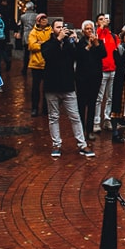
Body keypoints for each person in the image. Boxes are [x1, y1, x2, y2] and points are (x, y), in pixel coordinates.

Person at [41, 20, 95, 158]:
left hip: (68, 86)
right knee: (53, 117)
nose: (61, 30)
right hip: (52, 86)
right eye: (58, 27)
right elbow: (48, 56)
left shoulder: (69, 44)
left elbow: (80, 57)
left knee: (75, 116)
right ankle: (56, 144)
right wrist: (58, 40)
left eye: (62, 27)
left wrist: (76, 42)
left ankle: (82, 144)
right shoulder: (47, 44)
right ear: (52, 30)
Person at [74, 21, 106, 140]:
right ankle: (81, 129)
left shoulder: (99, 42)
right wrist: (88, 47)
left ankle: (90, 130)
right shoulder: (79, 43)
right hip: (82, 78)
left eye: (91, 29)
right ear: (83, 31)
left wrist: (96, 44)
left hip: (95, 77)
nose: (89, 31)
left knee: (92, 104)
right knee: (81, 104)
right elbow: (78, 56)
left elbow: (104, 54)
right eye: (87, 29)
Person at [94, 13, 119, 133]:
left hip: (112, 69)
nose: (103, 21)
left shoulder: (112, 36)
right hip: (102, 70)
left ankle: (107, 119)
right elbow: (95, 40)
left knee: (110, 97)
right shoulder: (97, 34)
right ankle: (96, 121)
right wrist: (100, 28)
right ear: (96, 22)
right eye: (100, 19)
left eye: (105, 19)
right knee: (99, 98)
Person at [27, 14, 51, 117]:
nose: (44, 20)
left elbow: (52, 44)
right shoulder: (33, 32)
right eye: (42, 19)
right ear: (38, 21)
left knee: (47, 88)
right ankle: (35, 108)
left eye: (45, 18)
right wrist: (45, 44)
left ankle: (46, 108)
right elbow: (32, 46)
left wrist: (41, 43)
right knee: (35, 88)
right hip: (36, 64)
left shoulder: (51, 31)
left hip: (47, 63)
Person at [17, 1, 37, 75]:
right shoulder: (36, 16)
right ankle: (33, 69)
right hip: (34, 34)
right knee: (34, 53)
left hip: (26, 35)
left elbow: (21, 27)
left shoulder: (23, 16)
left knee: (26, 53)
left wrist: (20, 34)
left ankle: (25, 69)